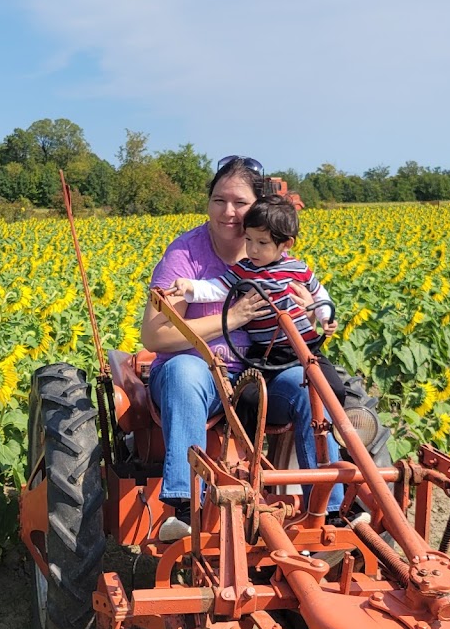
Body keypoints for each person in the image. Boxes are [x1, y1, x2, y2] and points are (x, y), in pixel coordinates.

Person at [141, 156, 344, 542]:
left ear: (261, 209)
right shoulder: (186, 254)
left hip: (261, 374)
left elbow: (318, 307)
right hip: (198, 375)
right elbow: (154, 338)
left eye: (240, 203)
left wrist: (315, 313)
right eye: (219, 200)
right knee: (185, 372)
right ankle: (185, 507)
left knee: (311, 382)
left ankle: (327, 512)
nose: (228, 212)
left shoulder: (277, 258)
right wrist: (231, 319)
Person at [167, 192, 347, 410]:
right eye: (249, 240)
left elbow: (320, 294)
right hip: (265, 354)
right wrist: (190, 287)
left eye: (262, 242)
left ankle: (334, 436)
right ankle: (249, 442)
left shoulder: (298, 269)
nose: (252, 249)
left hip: (305, 348)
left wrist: (326, 318)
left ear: (286, 244)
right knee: (248, 398)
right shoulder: (244, 270)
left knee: (334, 390)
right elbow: (217, 288)